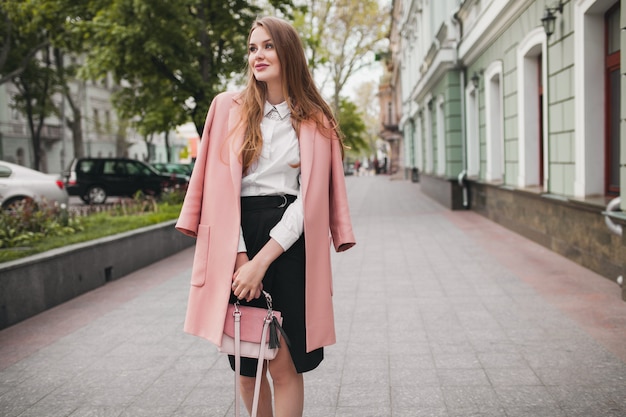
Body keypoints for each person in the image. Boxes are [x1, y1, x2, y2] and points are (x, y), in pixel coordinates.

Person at [175, 16, 356, 417]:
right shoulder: (227, 108)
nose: (258, 55)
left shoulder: (316, 120)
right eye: (253, 47)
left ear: (288, 52)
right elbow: (218, 195)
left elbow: (310, 202)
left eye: (268, 46)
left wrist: (262, 261)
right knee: (246, 361)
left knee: (284, 362)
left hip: (290, 242)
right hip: (235, 236)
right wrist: (241, 258)